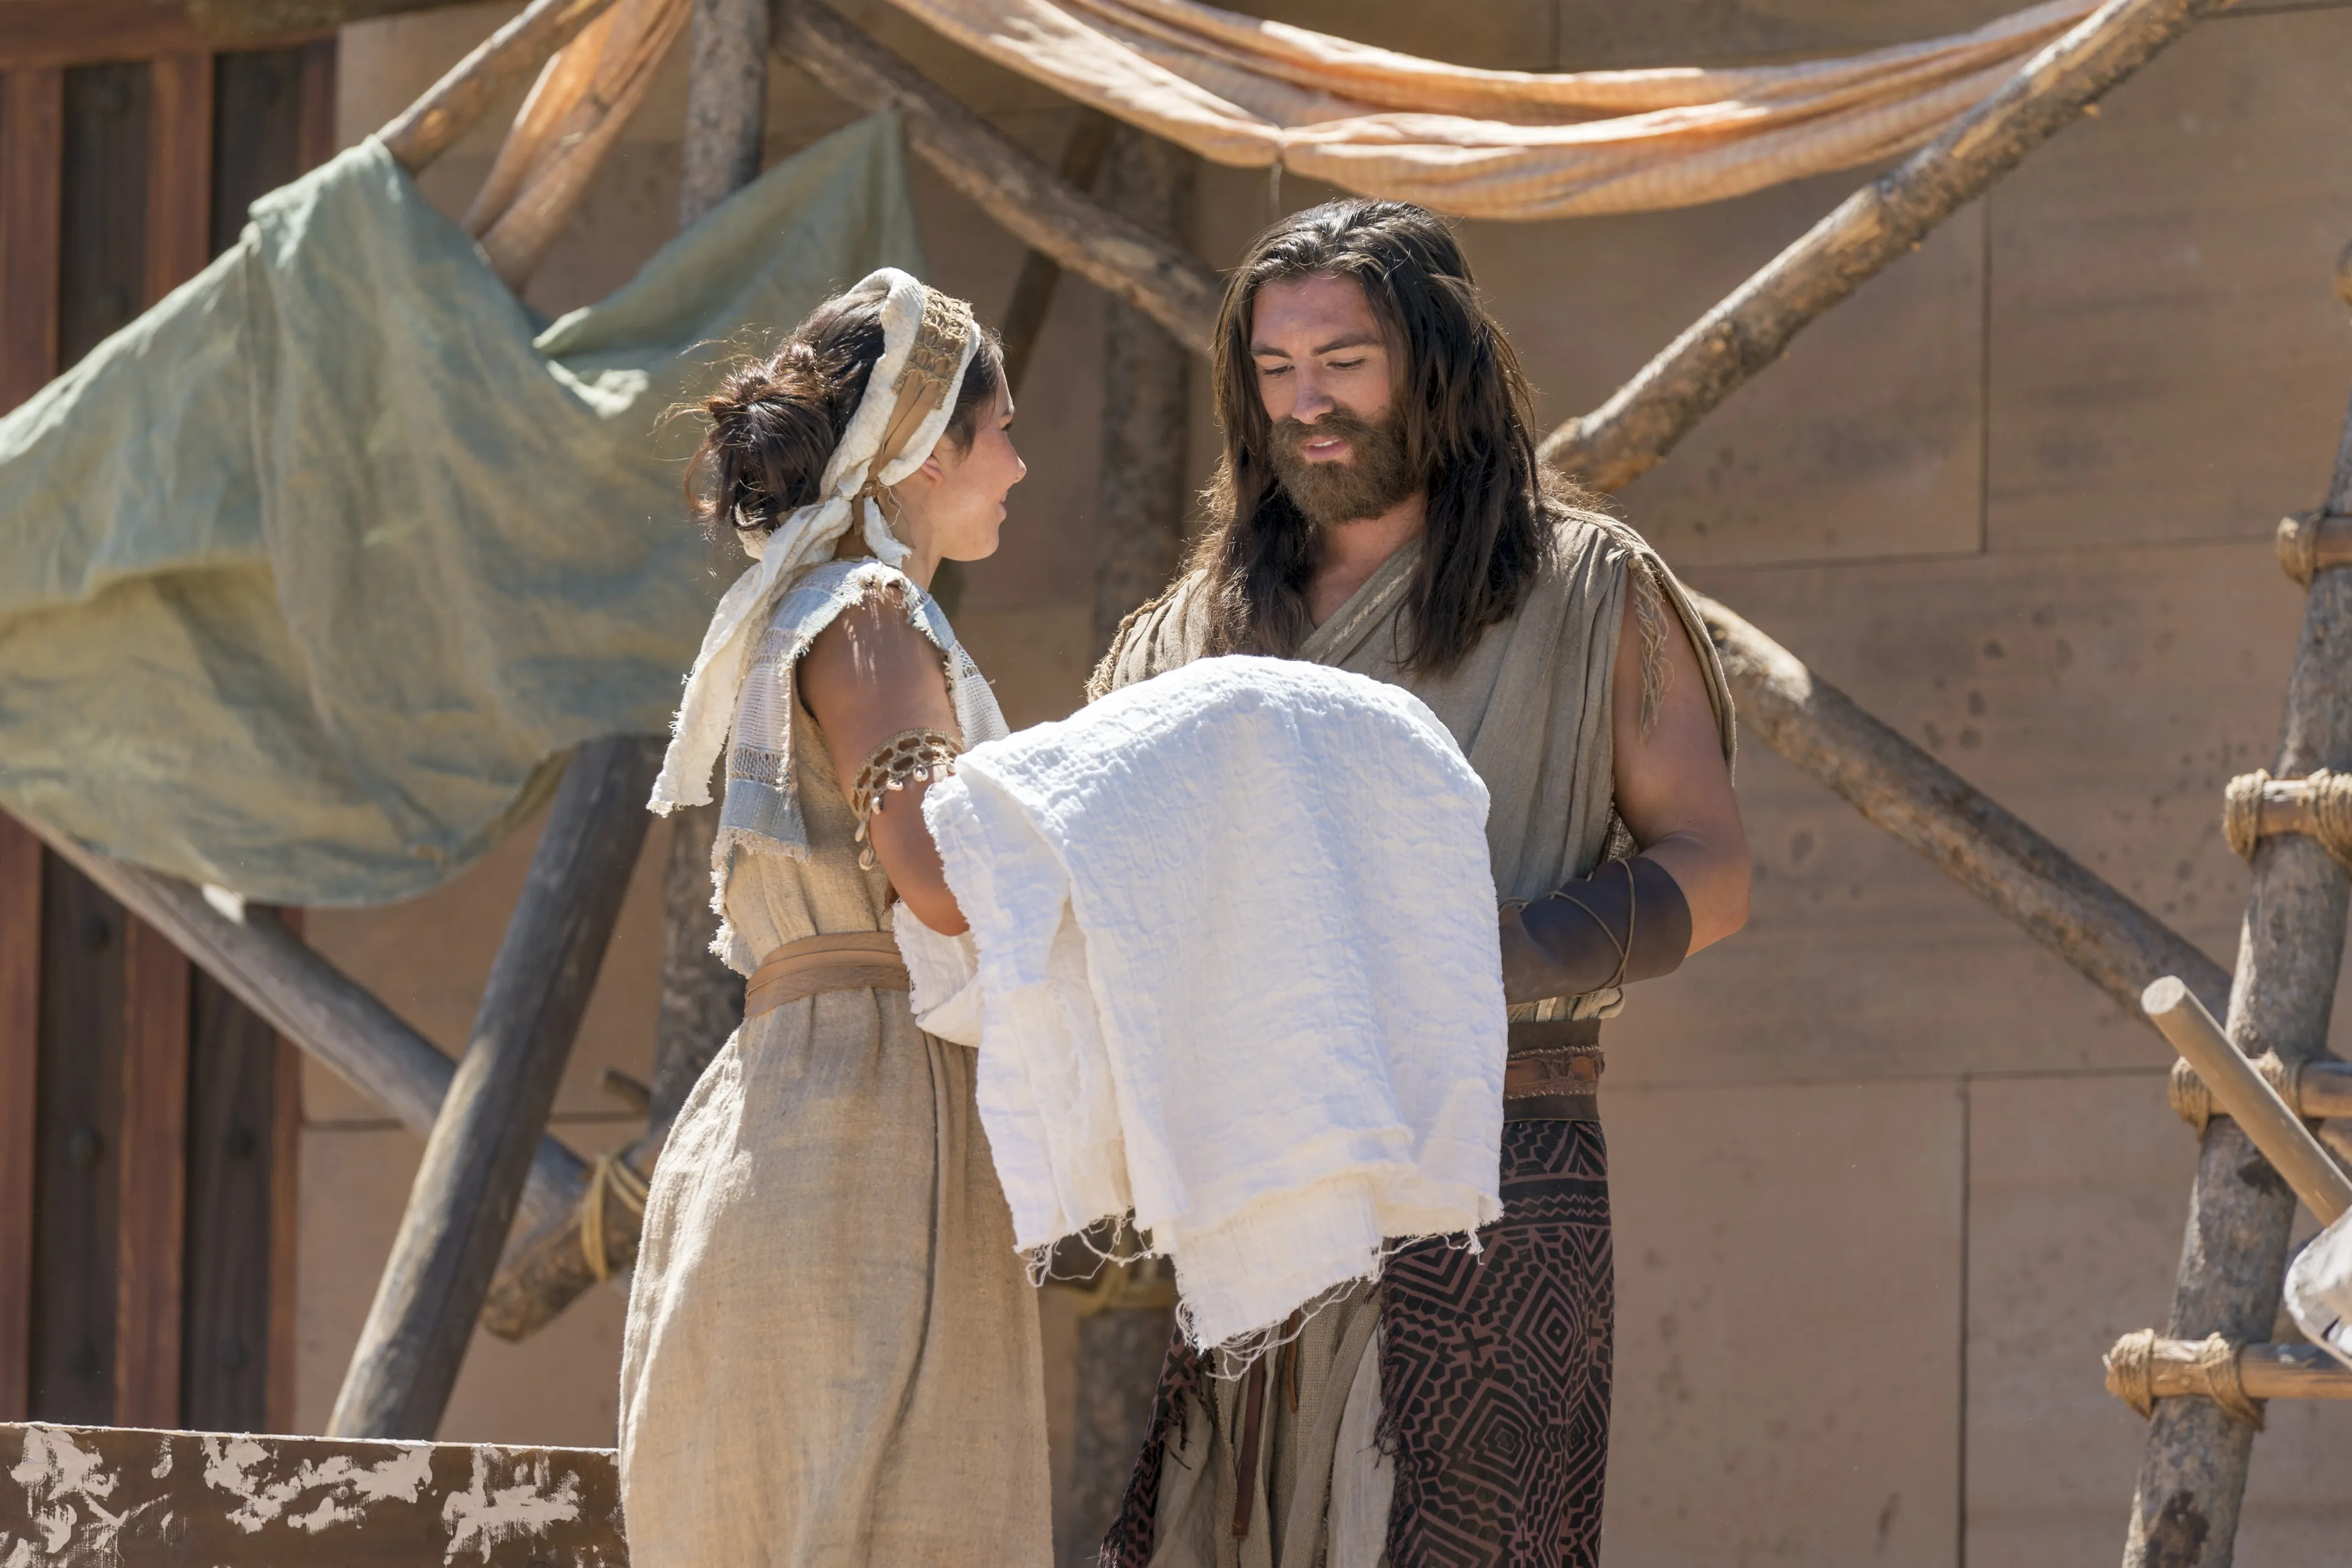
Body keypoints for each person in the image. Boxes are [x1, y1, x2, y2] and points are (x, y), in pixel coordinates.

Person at [1092, 202, 1750, 1567]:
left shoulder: (1582, 590)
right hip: (1257, 1185)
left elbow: (1712, 867)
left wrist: (1482, 956)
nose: (1307, 404)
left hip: (1495, 1157)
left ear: (1435, 365)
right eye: (1275, 372)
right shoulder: (1189, 629)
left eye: (1345, 362)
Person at [619, 269, 1049, 1566]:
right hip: (870, 1109)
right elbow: (930, 865)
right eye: (1004, 429)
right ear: (924, 446)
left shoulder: (807, 610)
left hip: (786, 1105)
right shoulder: (867, 610)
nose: (1023, 464)